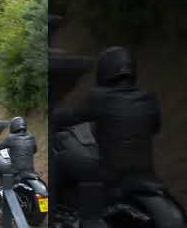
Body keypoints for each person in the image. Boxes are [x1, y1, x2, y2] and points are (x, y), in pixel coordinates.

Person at [52, 46, 161, 199]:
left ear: (104, 70)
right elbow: (155, 128)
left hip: (109, 175)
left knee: (61, 160)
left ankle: (54, 209)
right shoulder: (149, 98)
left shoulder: (100, 97)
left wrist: (52, 115)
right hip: (146, 175)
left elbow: (72, 116)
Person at [0, 116, 37, 182]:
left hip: (15, 171)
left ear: (13, 126)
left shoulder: (11, 138)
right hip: (30, 170)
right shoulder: (31, 137)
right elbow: (34, 150)